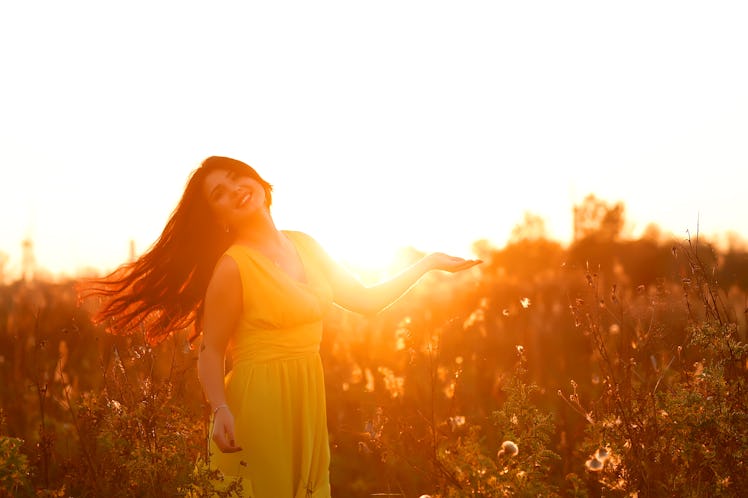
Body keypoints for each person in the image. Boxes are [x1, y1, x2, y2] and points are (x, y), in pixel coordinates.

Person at [85, 156, 481, 497]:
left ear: (257, 180)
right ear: (217, 217)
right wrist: (221, 408)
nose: (235, 190)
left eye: (236, 177)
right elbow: (211, 350)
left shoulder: (304, 244)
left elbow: (365, 300)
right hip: (258, 406)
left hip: (306, 398)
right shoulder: (233, 267)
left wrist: (427, 263)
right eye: (218, 194)